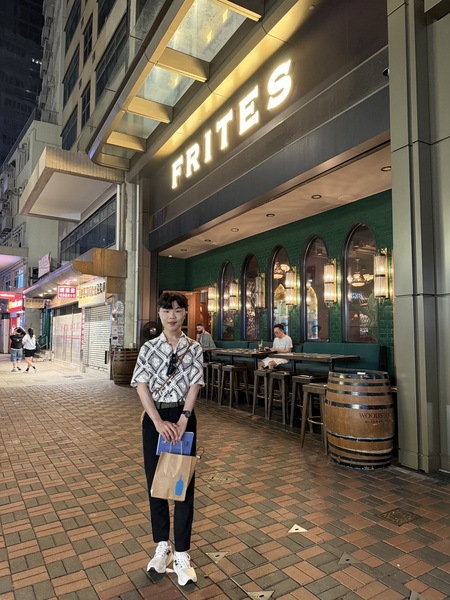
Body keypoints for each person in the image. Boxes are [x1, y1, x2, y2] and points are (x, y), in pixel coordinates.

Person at [131, 292, 204, 586]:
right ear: (159, 314)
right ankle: (163, 546)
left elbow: (195, 385)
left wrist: (183, 419)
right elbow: (141, 386)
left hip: (184, 418)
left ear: (185, 313)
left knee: (183, 486)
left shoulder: (194, 348)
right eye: (166, 310)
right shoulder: (149, 348)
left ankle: (182, 552)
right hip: (155, 420)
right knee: (156, 484)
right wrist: (158, 422)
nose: (172, 315)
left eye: (177, 310)